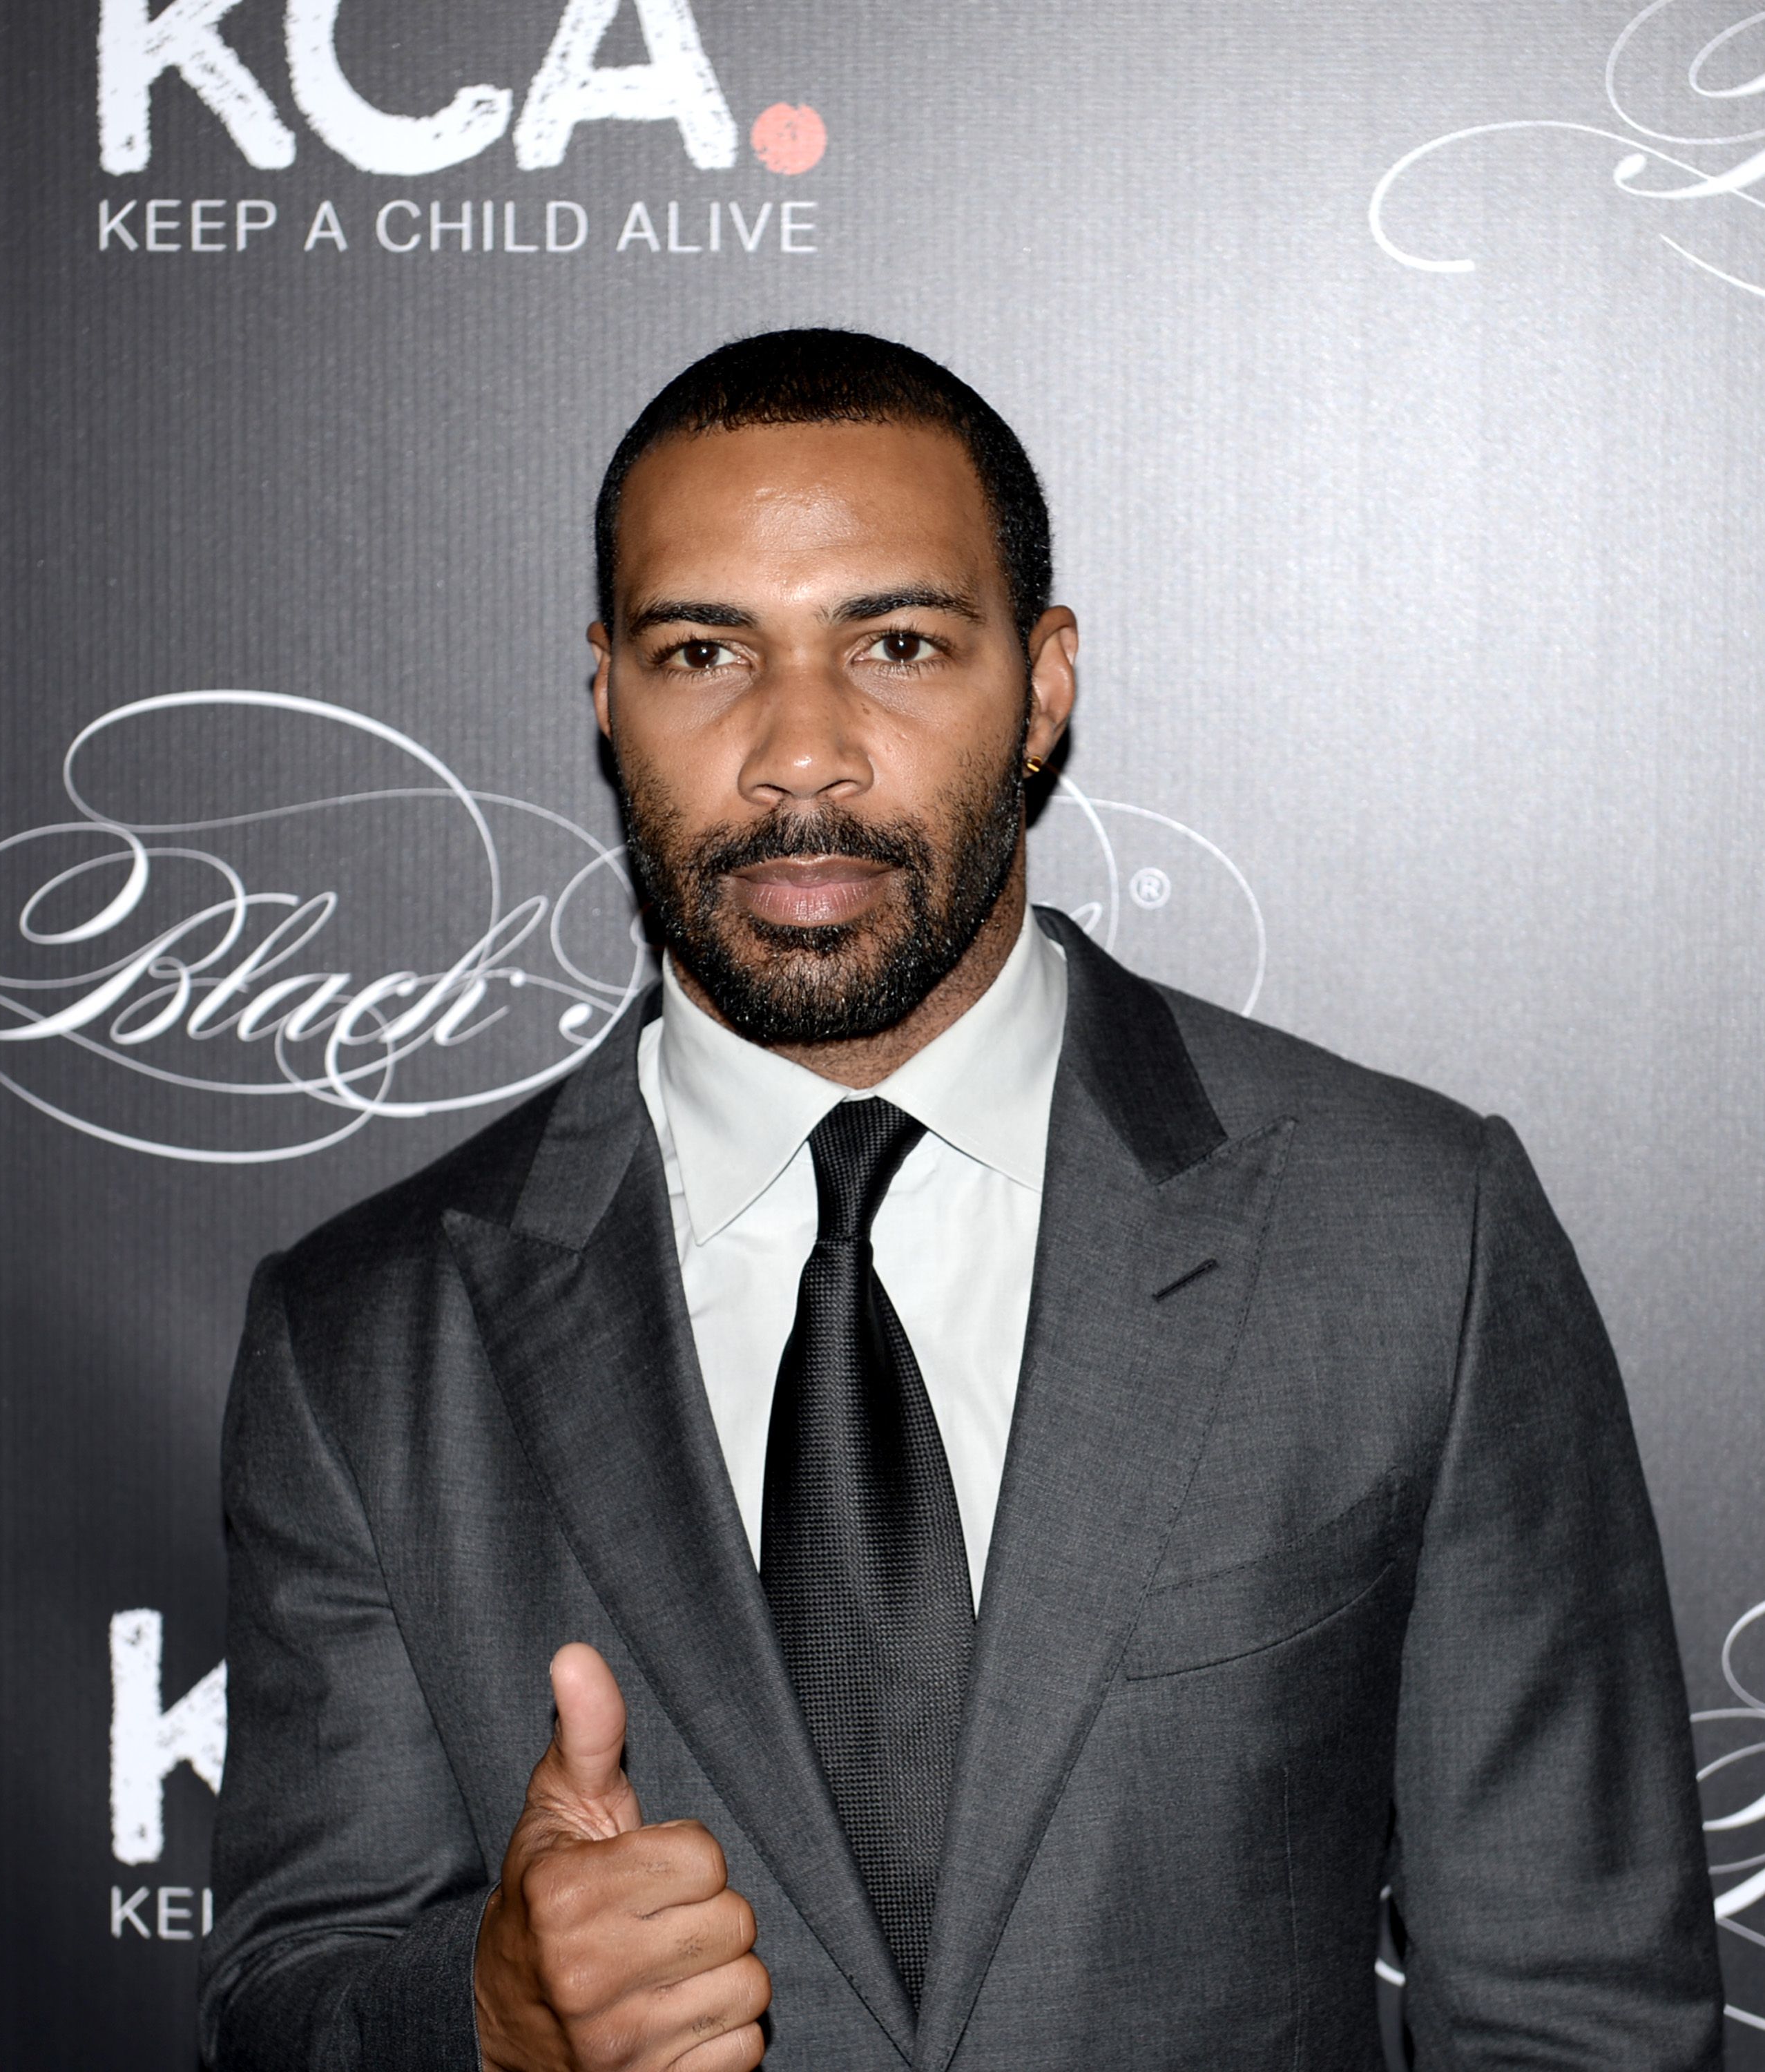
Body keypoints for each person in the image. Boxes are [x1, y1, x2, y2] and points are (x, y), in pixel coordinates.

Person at [199, 329, 1722, 2072]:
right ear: (607, 692)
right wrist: (481, 2017)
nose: (800, 754)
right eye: (705, 652)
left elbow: (1576, 2010)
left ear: (1043, 683)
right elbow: (282, 2001)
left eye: (897, 644)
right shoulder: (367, 1335)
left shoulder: (1408, 1237)